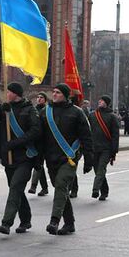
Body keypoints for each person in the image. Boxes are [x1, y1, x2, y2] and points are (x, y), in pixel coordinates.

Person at [39, 83, 93, 235]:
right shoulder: (45, 112)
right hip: (51, 158)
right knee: (59, 189)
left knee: (62, 185)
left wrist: (89, 159)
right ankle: (69, 223)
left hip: (69, 158)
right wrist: (38, 158)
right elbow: (39, 137)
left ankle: (54, 221)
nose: (54, 94)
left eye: (57, 92)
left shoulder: (77, 113)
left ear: (65, 95)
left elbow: (86, 137)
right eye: (53, 92)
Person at [0, 82, 41, 235]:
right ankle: (26, 220)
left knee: (15, 187)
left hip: (25, 157)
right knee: (17, 190)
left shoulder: (30, 110)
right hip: (9, 158)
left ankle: (6, 223)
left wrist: (14, 143)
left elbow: (35, 131)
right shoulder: (6, 110)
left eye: (9, 92)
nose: (6, 94)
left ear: (16, 93)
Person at [88, 95, 119, 201]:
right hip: (94, 148)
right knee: (97, 171)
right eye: (99, 100)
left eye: (102, 101)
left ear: (107, 103)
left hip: (106, 149)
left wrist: (114, 151)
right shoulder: (92, 115)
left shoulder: (112, 117)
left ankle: (95, 190)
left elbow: (115, 135)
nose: (100, 101)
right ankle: (104, 191)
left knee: (101, 169)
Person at [29, 92, 50, 196]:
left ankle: (35, 186)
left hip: (46, 142)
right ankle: (42, 187)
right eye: (38, 97)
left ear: (45, 100)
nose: (39, 99)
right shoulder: (33, 110)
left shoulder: (47, 111)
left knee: (40, 165)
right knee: (38, 165)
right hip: (36, 142)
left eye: (41, 97)